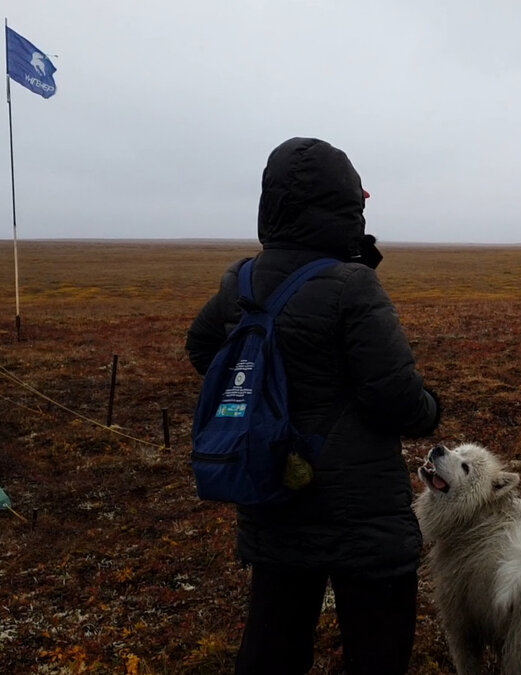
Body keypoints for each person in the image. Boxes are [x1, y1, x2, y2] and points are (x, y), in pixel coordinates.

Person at [185, 137, 441, 675]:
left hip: (271, 489)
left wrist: (258, 399)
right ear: (345, 207)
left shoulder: (242, 280)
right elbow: (398, 401)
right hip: (362, 514)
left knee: (273, 644)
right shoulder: (352, 286)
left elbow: (203, 348)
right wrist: (431, 408)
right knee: (378, 650)